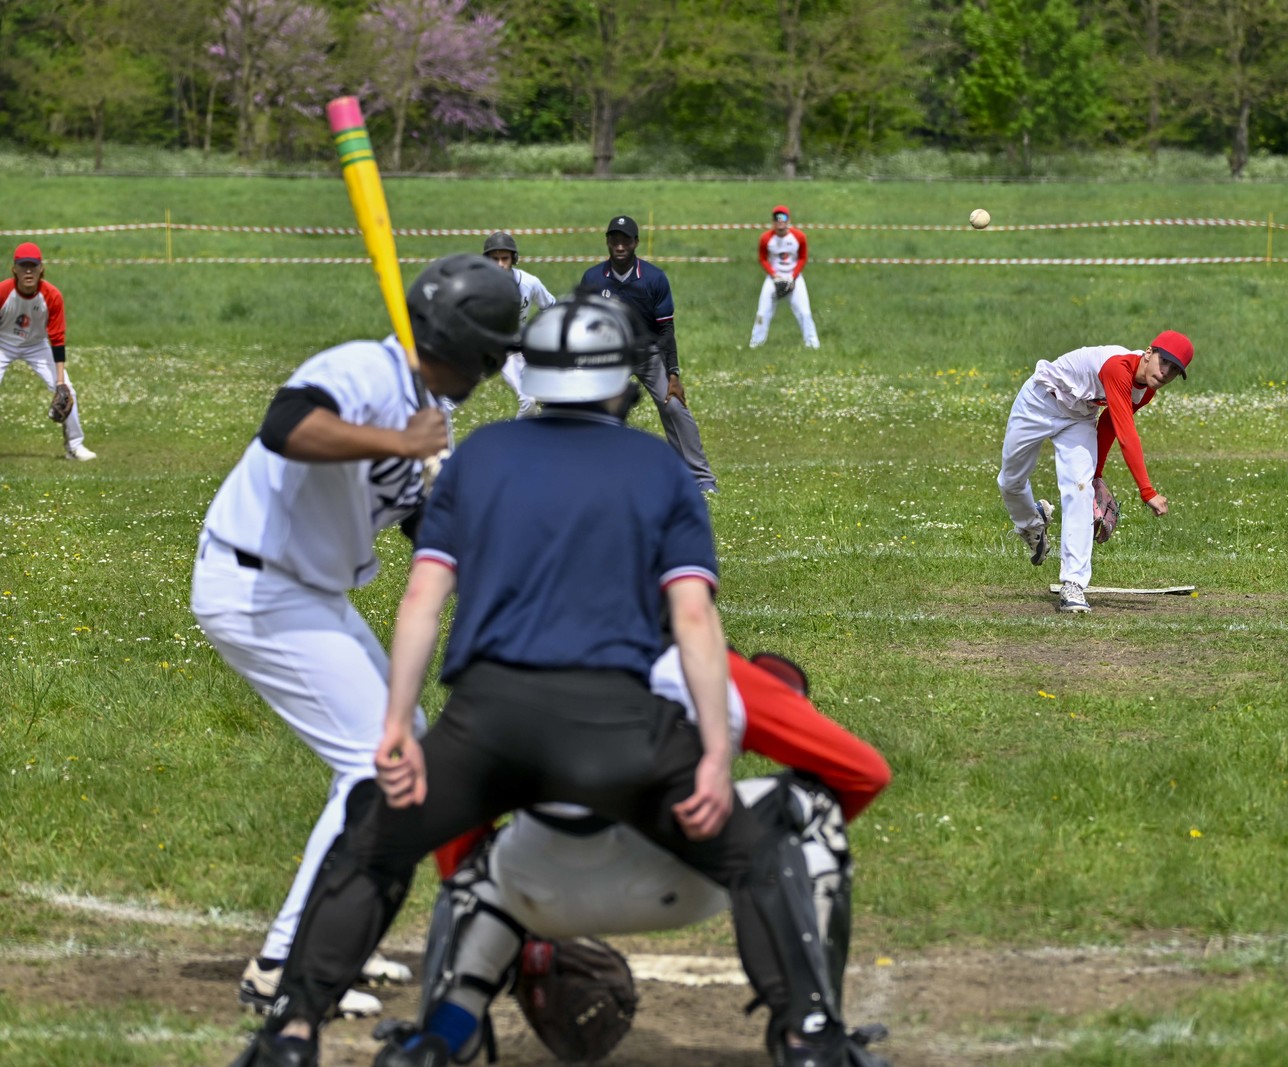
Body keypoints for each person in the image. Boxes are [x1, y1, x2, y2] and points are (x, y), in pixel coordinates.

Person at [225, 294, 863, 1067]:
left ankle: (293, 1031)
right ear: (621, 380)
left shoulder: (482, 455)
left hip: (490, 722)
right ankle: (809, 1036)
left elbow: (423, 599)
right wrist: (717, 761)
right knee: (759, 855)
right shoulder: (657, 464)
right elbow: (693, 620)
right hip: (619, 727)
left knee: (374, 837)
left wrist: (398, 723)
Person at [192, 254, 521, 1021]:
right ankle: (283, 962)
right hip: (256, 586)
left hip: (307, 590)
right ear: (477, 351)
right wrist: (401, 444)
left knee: (407, 748)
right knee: (373, 767)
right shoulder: (364, 371)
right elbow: (285, 427)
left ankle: (337, 923)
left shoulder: (425, 403)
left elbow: (414, 521)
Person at [372, 644, 893, 1066]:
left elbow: (445, 809)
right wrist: (774, 869)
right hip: (691, 876)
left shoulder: (505, 670)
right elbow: (863, 772)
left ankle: (441, 1036)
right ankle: (809, 1034)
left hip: (538, 894)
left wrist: (514, 920)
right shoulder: (709, 665)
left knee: (472, 863)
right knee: (813, 808)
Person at [997, 331, 1194, 614]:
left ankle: (1073, 584)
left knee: (1080, 489)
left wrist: (1096, 476)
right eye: (1164, 362)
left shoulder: (1145, 389)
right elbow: (1127, 433)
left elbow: (1110, 425)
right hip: (1039, 402)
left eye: (1175, 370)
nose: (1166, 373)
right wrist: (1147, 490)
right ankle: (1031, 523)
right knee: (1011, 480)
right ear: (1149, 352)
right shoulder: (1118, 366)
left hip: (1078, 418)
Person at [579, 214, 717, 493]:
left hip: (648, 352)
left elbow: (666, 331)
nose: (620, 246)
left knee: (675, 406)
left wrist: (674, 374)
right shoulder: (592, 278)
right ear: (607, 242)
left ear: (636, 243)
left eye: (625, 241)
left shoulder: (654, 278)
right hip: (610, 355)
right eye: (614, 241)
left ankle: (701, 478)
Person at [0, 242, 96, 460]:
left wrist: (60, 381)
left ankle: (75, 446)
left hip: (37, 345)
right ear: (14, 268)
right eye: (23, 265)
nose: (28, 271)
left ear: (41, 268)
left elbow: (57, 339)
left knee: (68, 391)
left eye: (32, 266)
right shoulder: (3, 292)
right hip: (2, 344)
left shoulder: (52, 296)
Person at [482, 231, 557, 417]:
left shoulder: (529, 283)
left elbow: (551, 307)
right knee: (446, 399)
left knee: (530, 401)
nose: (500, 264)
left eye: (505, 258)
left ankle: (518, 439)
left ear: (514, 258)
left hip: (512, 352)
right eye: (494, 259)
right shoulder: (477, 285)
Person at [749, 205, 820, 349]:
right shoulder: (766, 238)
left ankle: (812, 345)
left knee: (804, 313)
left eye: (783, 218)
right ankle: (755, 344)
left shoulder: (799, 237)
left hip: (794, 278)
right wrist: (774, 276)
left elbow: (803, 257)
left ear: (789, 220)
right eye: (777, 218)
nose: (780, 222)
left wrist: (793, 277)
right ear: (773, 221)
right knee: (762, 313)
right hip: (774, 278)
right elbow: (762, 258)